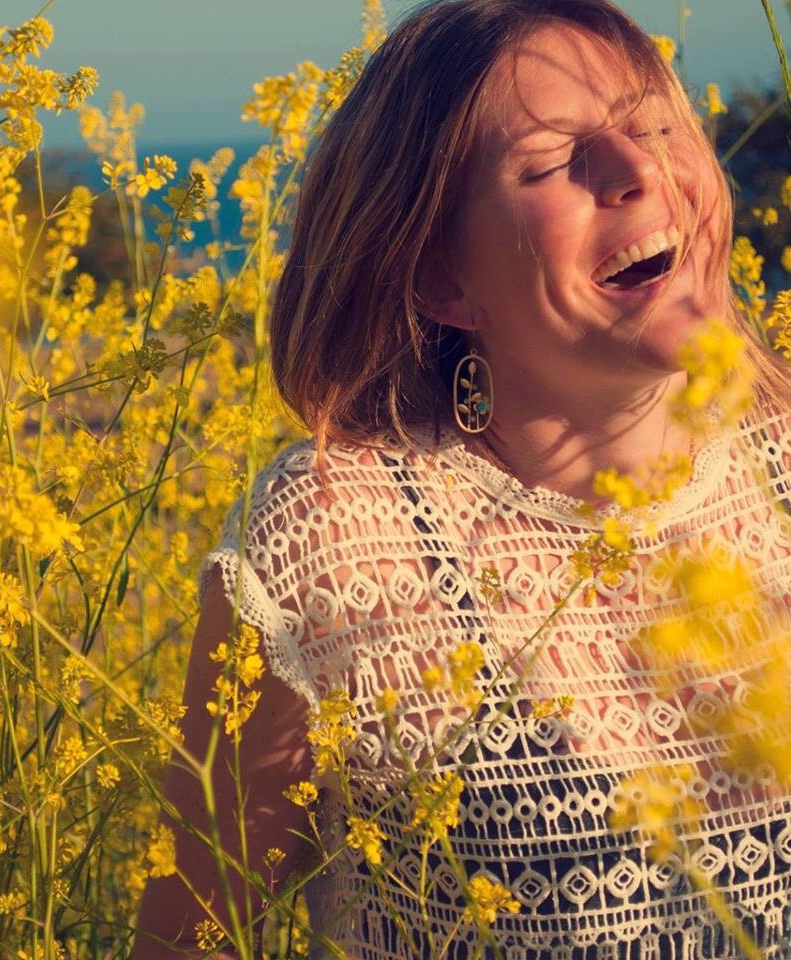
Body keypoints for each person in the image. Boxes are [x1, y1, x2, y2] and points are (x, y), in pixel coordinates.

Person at [133, 1, 791, 957]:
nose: (640, 170)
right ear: (441, 281)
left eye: (654, 124)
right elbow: (188, 941)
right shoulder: (331, 541)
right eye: (552, 160)